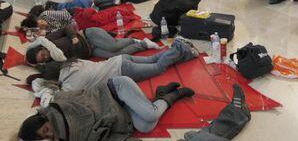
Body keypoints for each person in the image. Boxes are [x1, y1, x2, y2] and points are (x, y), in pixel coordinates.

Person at [18, 77, 195, 139]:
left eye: (46, 129)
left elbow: (89, 97)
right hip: (122, 111)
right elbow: (104, 136)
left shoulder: (60, 103)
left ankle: (173, 96)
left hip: (116, 90)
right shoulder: (71, 138)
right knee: (146, 126)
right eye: (46, 137)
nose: (51, 133)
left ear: (44, 119)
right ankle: (161, 96)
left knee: (149, 114)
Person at [28, 37, 198, 98]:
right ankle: (182, 51)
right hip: (118, 60)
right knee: (153, 58)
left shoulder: (69, 86)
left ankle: (179, 47)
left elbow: (52, 97)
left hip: (123, 71)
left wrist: (41, 85)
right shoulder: (72, 63)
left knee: (158, 67)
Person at [25, 25, 162, 67]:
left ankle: (133, 40)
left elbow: (66, 28)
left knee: (113, 46)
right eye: (42, 59)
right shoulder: (54, 61)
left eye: (42, 55)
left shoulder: (49, 40)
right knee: (115, 56)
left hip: (88, 35)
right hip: (91, 51)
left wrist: (73, 37)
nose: (45, 57)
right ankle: (142, 44)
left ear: (41, 48)